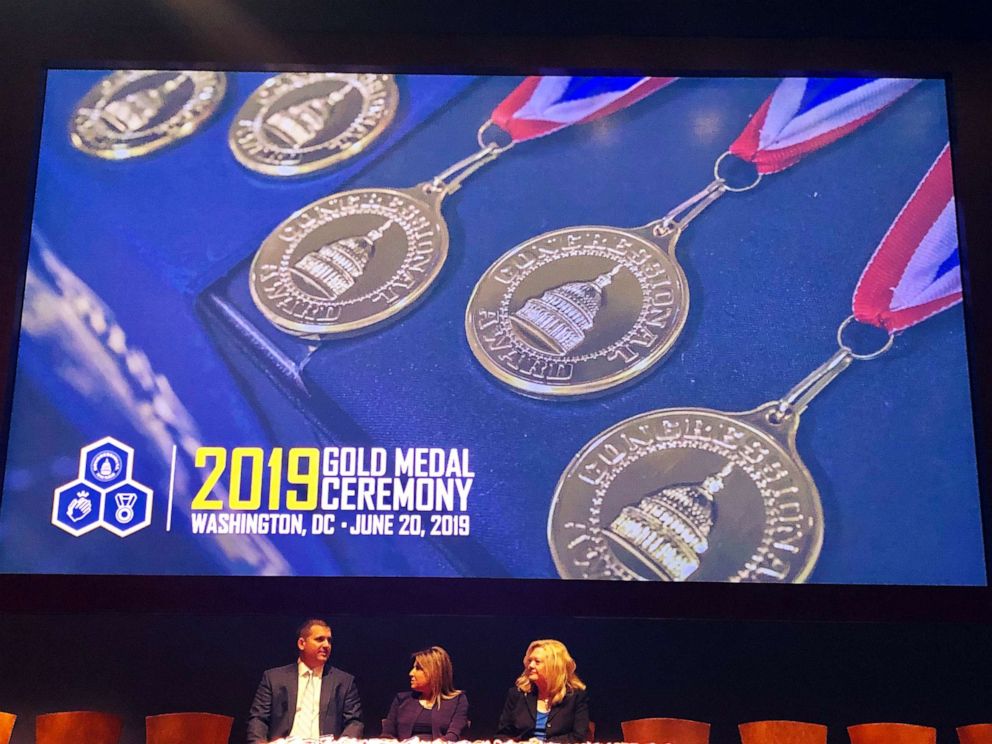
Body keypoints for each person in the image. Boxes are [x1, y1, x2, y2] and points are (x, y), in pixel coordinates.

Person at [247, 618, 364, 743]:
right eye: (319, 639)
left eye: (329, 641)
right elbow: (258, 719)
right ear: (302, 643)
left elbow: (354, 722)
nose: (326, 645)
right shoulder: (274, 678)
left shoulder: (344, 682)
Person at [496, 639, 590, 743]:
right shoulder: (517, 694)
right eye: (529, 660)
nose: (530, 665)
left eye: (537, 661)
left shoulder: (575, 696)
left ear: (554, 666)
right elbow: (503, 734)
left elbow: (578, 737)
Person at [382, 646, 469, 741]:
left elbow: (454, 735)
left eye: (418, 668)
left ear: (434, 672)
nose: (411, 673)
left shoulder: (458, 700)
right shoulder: (401, 700)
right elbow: (387, 736)